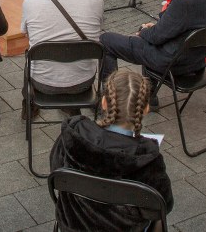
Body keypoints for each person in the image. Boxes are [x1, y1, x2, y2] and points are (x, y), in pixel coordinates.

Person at [49, 70, 173, 231]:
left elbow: (55, 171)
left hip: (73, 224)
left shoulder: (74, 134)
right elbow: (164, 205)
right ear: (146, 109)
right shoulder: (147, 158)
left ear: (104, 103)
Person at [21, 0, 103, 118]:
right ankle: (73, 108)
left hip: (43, 83)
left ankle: (29, 106)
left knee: (30, 51)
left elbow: (25, 33)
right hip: (83, 82)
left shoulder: (32, 0)